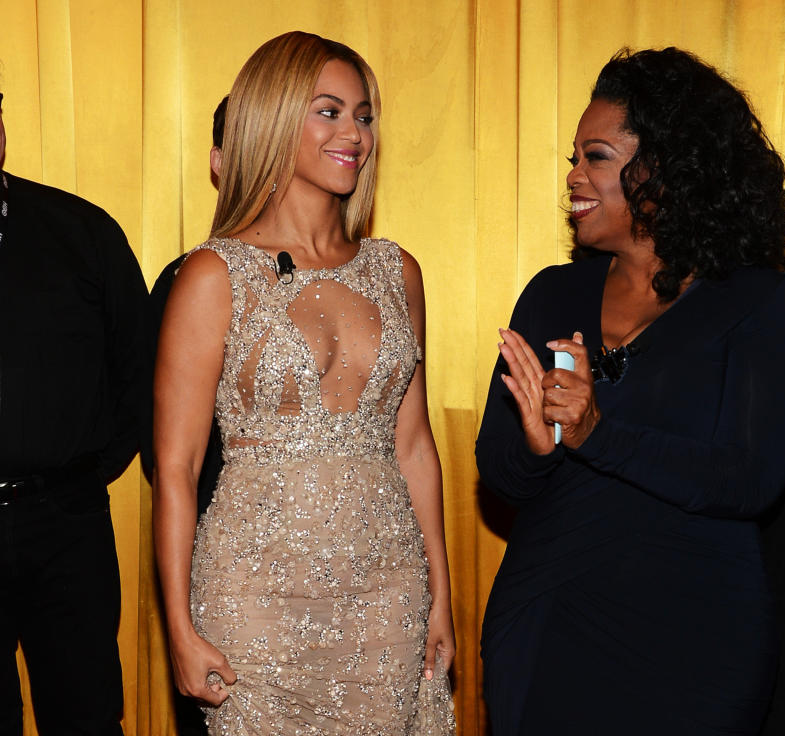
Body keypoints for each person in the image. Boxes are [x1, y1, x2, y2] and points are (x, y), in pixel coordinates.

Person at [476, 48, 785, 735]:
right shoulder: (552, 295)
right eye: (574, 156)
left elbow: (750, 479)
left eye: (595, 156)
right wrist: (541, 449)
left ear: (663, 168)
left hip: (692, 648)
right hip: (546, 629)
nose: (573, 176)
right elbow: (502, 476)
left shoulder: (755, 304)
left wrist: (601, 434)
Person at [153, 32, 456, 736]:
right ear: (276, 117)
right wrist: (177, 624)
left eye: (363, 115)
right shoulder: (213, 276)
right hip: (253, 598)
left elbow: (414, 447)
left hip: (387, 591)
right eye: (329, 111)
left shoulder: (396, 271)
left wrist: (440, 592)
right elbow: (176, 467)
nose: (354, 133)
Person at [0, 90, 152, 734]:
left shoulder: (83, 233)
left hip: (65, 522)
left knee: (86, 714)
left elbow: (140, 372)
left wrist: (81, 473)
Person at [147, 93, 229, 736]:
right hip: (223, 567)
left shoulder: (366, 271)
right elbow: (166, 458)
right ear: (219, 162)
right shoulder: (187, 281)